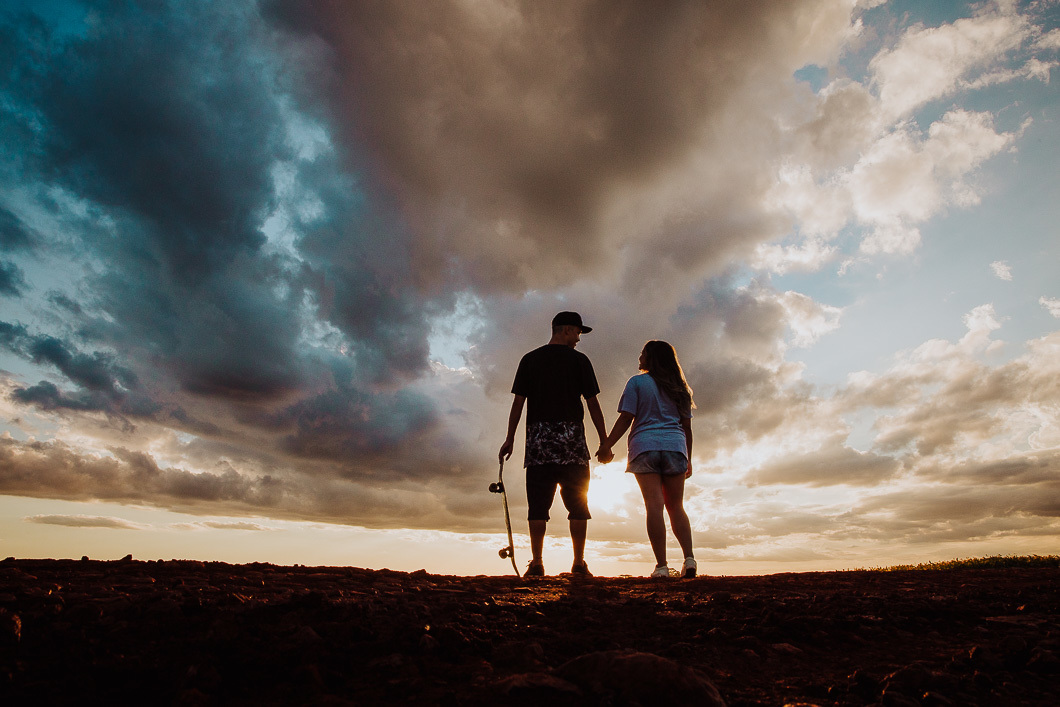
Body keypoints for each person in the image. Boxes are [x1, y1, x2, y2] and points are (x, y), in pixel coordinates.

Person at [499, 311, 609, 577]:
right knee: (578, 505)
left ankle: (537, 563)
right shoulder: (580, 361)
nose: (579, 339)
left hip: (539, 443)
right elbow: (592, 404)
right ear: (567, 329)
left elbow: (518, 403)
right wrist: (604, 440)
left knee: (538, 505)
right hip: (572, 443)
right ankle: (579, 563)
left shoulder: (530, 359)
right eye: (578, 332)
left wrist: (510, 438)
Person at [598, 340, 697, 579]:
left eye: (642, 353)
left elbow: (626, 418)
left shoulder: (637, 383)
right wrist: (688, 458)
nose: (639, 357)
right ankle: (689, 559)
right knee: (676, 506)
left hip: (645, 446)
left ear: (651, 357)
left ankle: (662, 566)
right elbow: (687, 427)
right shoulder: (680, 388)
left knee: (654, 505)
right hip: (675, 447)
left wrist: (606, 445)